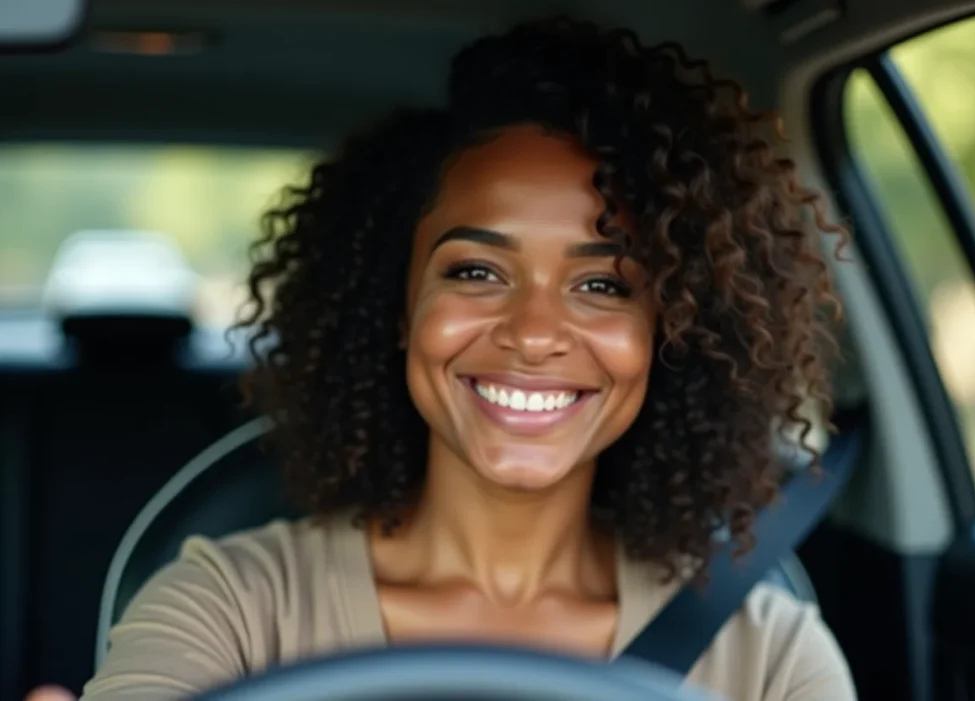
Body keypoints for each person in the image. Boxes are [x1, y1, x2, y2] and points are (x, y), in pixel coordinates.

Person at [28, 16, 855, 701]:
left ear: (665, 329)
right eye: (476, 271)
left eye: (603, 284)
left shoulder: (769, 653)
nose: (534, 332)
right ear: (399, 309)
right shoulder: (233, 607)